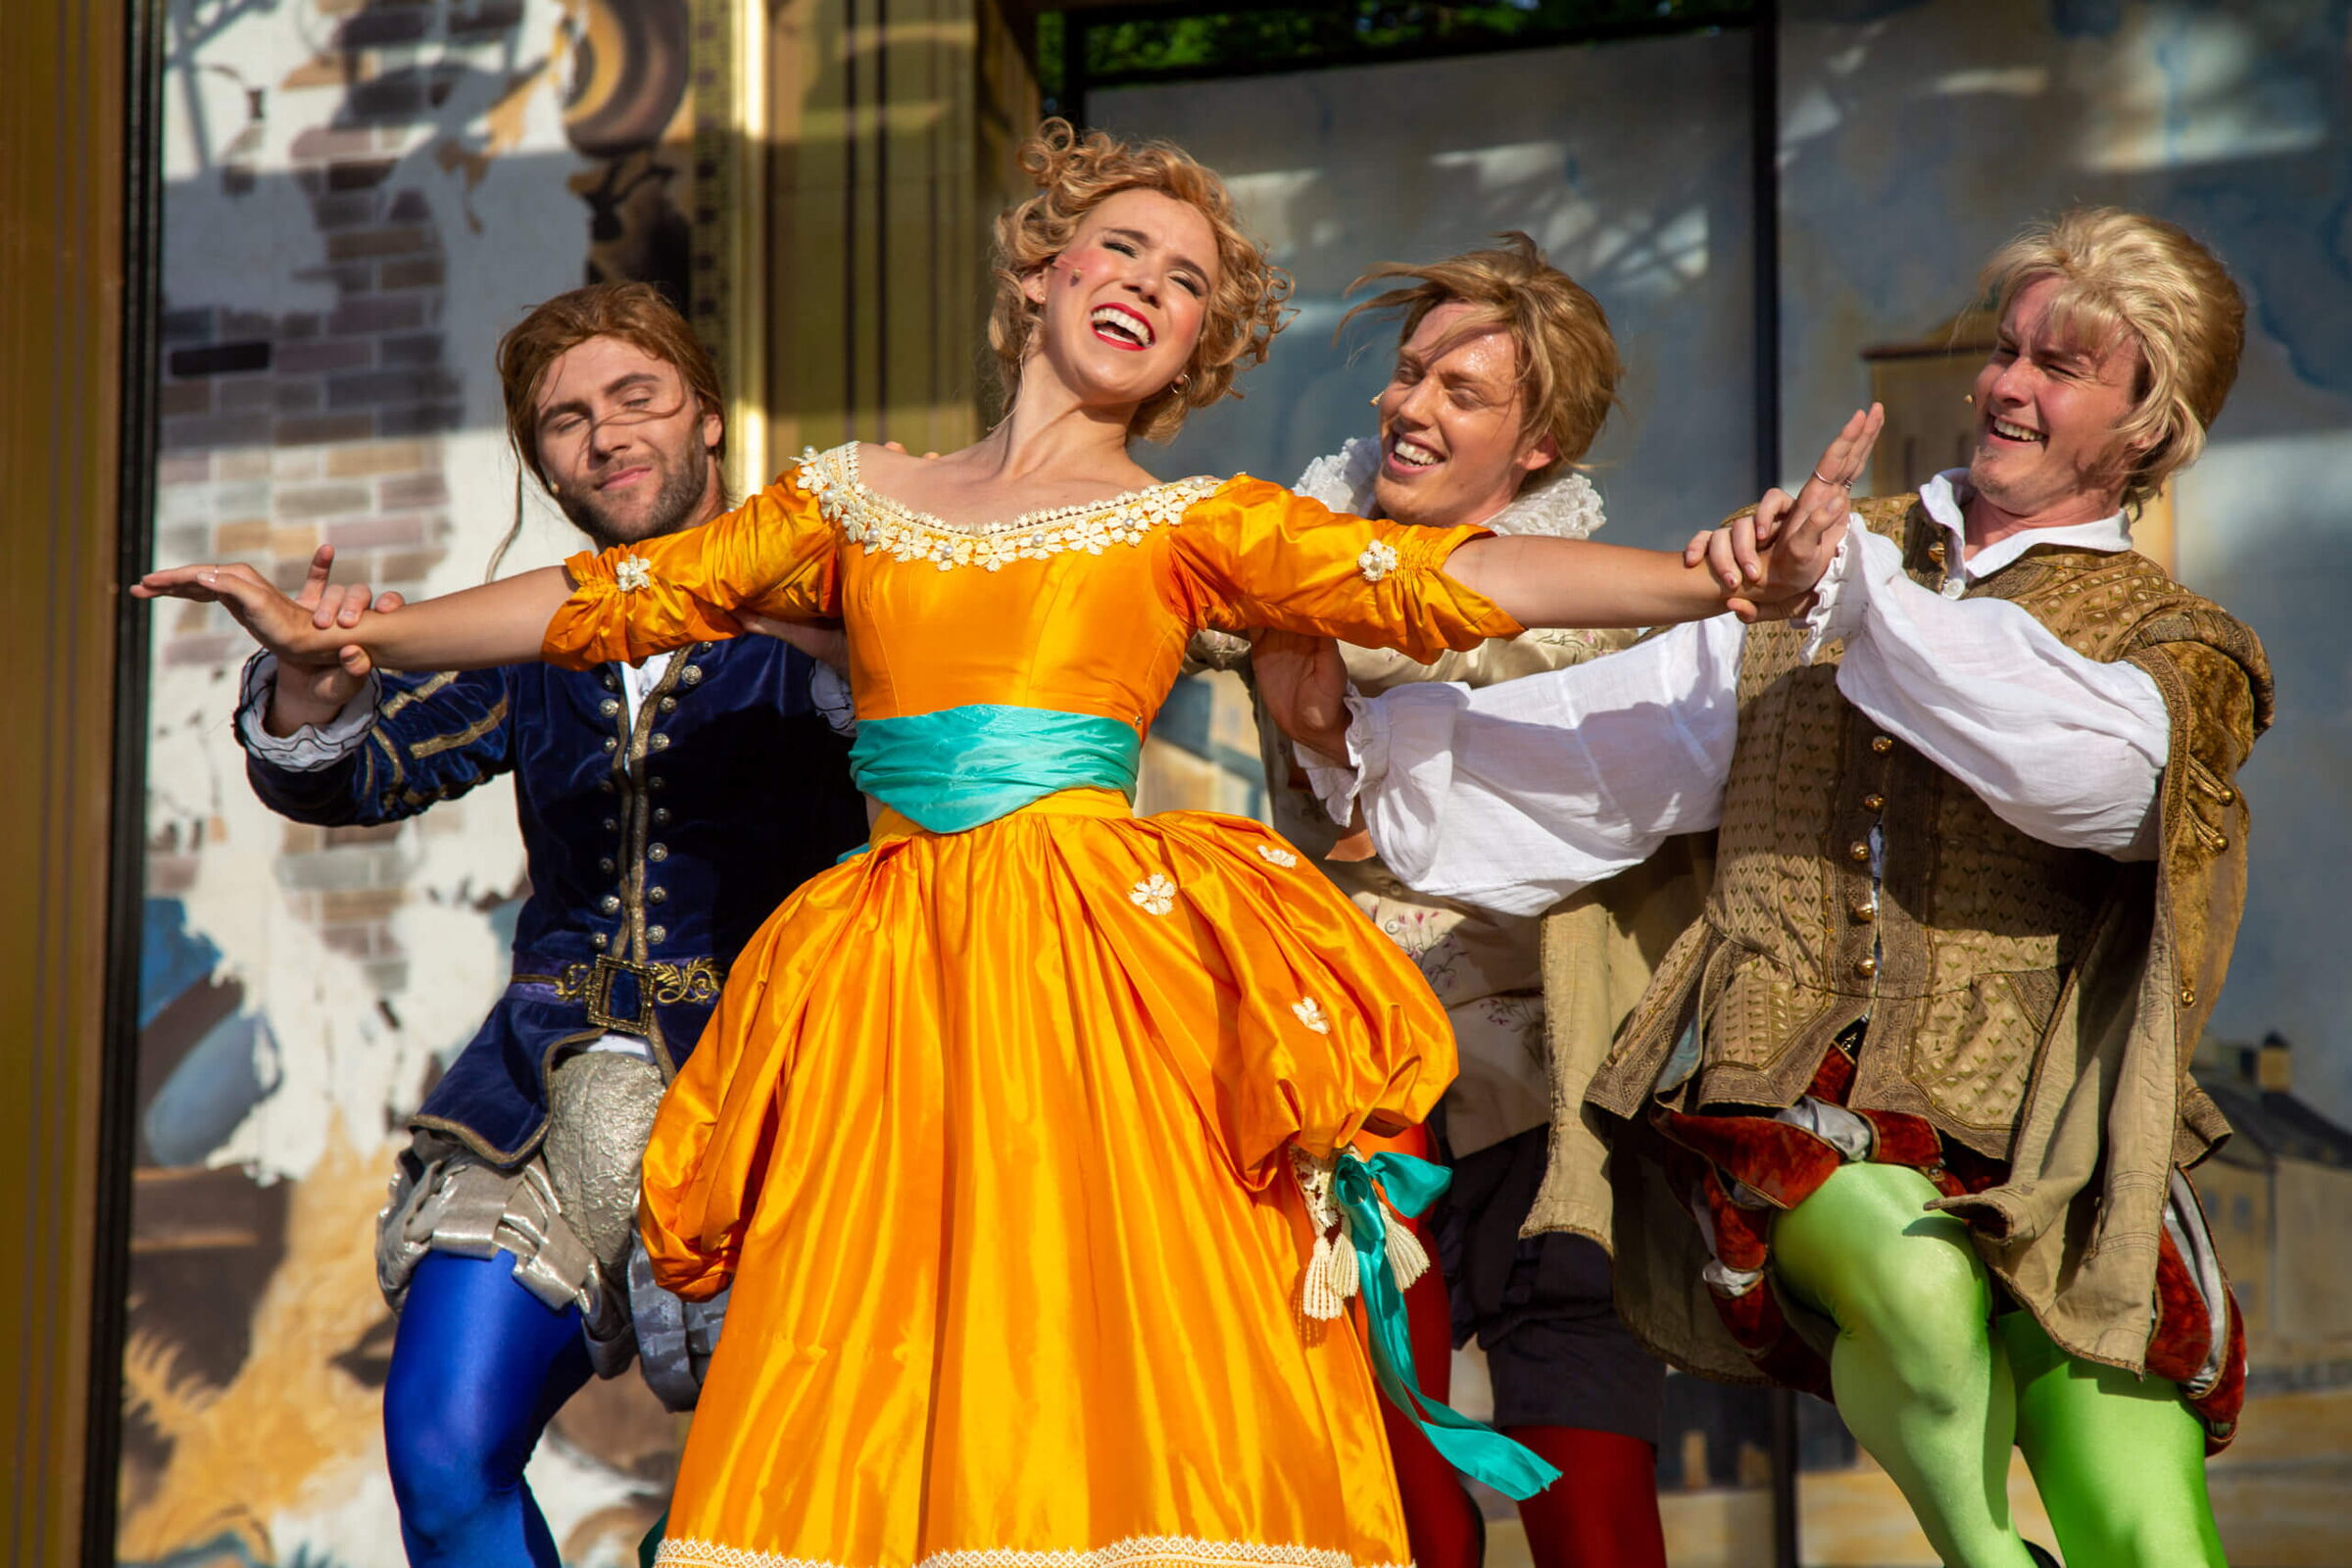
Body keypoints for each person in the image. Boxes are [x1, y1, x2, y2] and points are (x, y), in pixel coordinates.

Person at [137, 121, 1870, 1568]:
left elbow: (1445, 582)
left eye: (1188, 285)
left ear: (1194, 353)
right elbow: (612, 599)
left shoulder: (1190, 524)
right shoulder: (851, 500)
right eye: (1125, 249)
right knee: (878, 1373)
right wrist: (359, 637)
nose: (1151, 286)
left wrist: (1713, 578)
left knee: (1092, 1368)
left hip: (1089, 985)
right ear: (1041, 268)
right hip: (889, 986)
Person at [1268, 208, 2267, 1568]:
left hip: (2065, 1140)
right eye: (2007, 350)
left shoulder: (2178, 644)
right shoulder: (1817, 563)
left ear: (2147, 423)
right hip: (1814, 1110)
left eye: (2060, 366)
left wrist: (1858, 592)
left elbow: (2088, 776)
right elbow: (1602, 748)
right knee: (1911, 1292)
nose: (2007, 385)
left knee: (2149, 1533)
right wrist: (1352, 739)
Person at [225, 281, 868, 1566]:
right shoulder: (539, 635)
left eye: (638, 397)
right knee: (442, 1459)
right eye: (566, 420)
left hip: (779, 1092)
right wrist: (306, 687)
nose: (607, 434)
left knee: (779, 1508)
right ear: (542, 462)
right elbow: (361, 776)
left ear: (708, 417)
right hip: (540, 1092)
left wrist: (839, 643)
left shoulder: (826, 601)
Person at [1195, 234, 1669, 1568]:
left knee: (1593, 1505)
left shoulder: (1593, 618)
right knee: (1394, 1499)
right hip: (1356, 1087)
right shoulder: (1286, 549)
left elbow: (1473, 639)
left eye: (1463, 391)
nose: (1410, 406)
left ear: (1539, 444)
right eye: (1411, 373)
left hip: (1548, 1096)